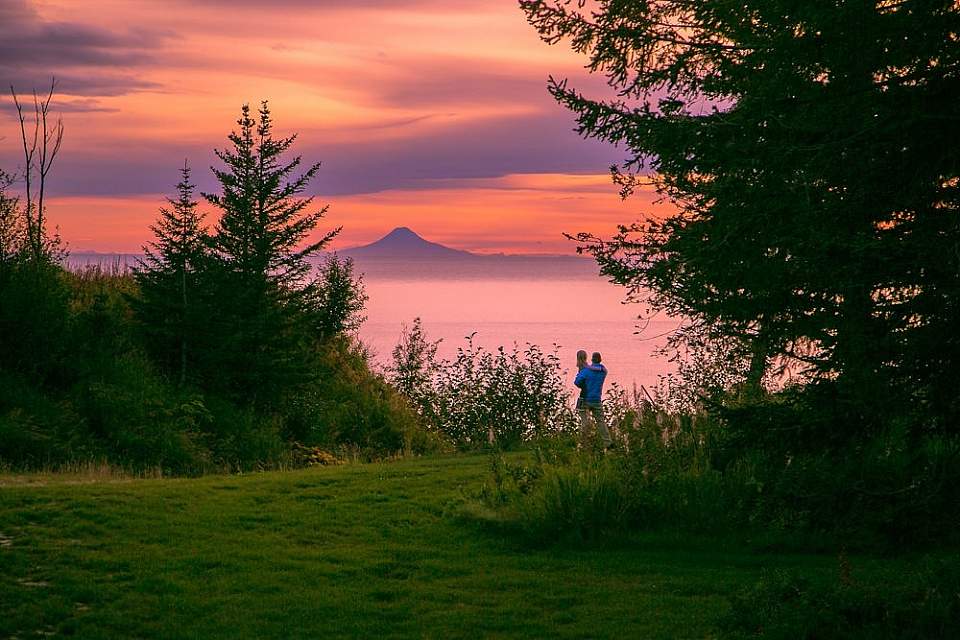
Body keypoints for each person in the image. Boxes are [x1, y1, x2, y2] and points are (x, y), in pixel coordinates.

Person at [574, 351, 612, 449]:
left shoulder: (586, 371)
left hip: (585, 399)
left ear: (591, 359)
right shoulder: (603, 371)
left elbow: (577, 382)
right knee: (601, 422)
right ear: (600, 360)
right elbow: (599, 368)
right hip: (597, 400)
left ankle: (583, 443)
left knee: (584, 422)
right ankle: (607, 443)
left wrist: (584, 367)